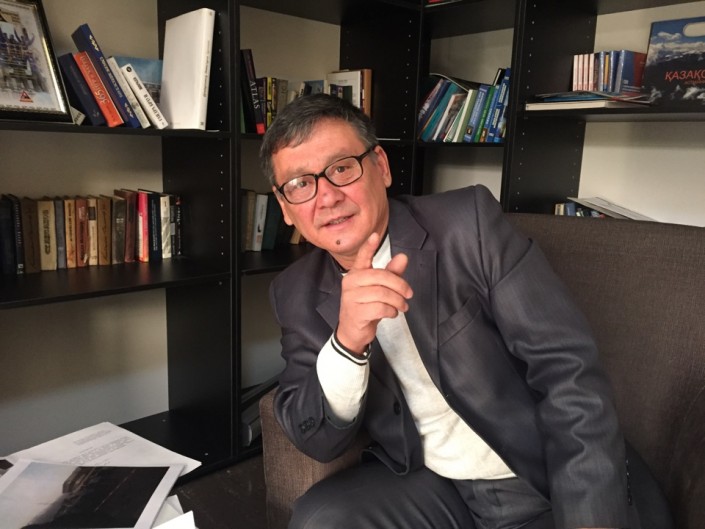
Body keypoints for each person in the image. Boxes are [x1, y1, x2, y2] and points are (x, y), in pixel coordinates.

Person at [259, 93, 671, 529]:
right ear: (285, 207)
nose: (326, 197)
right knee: (319, 521)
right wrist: (347, 343)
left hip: (537, 475)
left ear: (380, 166)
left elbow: (567, 371)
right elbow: (315, 437)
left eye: (342, 168)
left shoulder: (466, 224)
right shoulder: (294, 292)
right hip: (434, 485)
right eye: (300, 184)